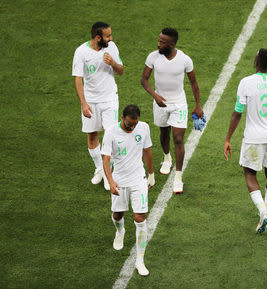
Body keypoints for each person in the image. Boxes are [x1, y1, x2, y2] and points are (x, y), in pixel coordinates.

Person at [223, 48, 267, 233]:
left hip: (254, 138)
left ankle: (263, 211)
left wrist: (228, 138)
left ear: (256, 62)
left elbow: (238, 112)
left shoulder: (246, 82)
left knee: (249, 173)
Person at [141, 27, 203, 194]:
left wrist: (198, 105)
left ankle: (178, 177)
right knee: (164, 133)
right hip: (160, 102)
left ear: (172, 44)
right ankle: (167, 157)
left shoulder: (185, 60)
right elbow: (144, 80)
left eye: (162, 42)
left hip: (179, 104)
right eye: (159, 40)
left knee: (178, 138)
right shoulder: (153, 57)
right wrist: (155, 96)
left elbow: (194, 84)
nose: (158, 44)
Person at [101, 104, 155, 276]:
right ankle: (120, 231)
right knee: (118, 215)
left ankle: (140, 260)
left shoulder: (143, 127)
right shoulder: (111, 132)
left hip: (138, 180)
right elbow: (106, 159)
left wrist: (151, 173)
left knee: (140, 218)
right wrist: (110, 181)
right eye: (130, 123)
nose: (133, 127)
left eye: (135, 123)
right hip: (119, 181)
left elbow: (147, 151)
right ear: (123, 118)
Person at [72, 21, 124, 190]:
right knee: (92, 137)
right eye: (107, 36)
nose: (111, 38)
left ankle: (110, 174)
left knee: (110, 136)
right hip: (91, 101)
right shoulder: (81, 52)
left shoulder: (112, 47)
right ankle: (100, 169)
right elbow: (78, 79)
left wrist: (113, 64)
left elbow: (121, 70)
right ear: (97, 37)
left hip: (109, 98)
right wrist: (84, 103)